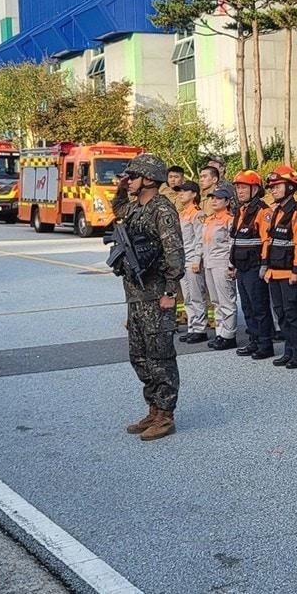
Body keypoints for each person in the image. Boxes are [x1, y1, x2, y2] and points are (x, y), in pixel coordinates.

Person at [115, 155, 185, 441]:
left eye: (132, 176)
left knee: (161, 356)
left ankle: (166, 415)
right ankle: (154, 408)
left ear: (149, 179)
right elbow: (117, 209)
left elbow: (175, 254)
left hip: (157, 295)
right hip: (136, 296)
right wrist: (121, 186)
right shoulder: (135, 208)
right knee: (139, 356)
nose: (128, 180)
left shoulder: (162, 210)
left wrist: (170, 292)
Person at [262, 165, 297, 368]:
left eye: (277, 186)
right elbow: (270, 240)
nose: (273, 190)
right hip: (275, 271)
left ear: (290, 187)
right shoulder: (275, 211)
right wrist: (266, 266)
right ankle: (289, 350)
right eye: (271, 187)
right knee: (281, 313)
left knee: (293, 313)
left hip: (290, 272)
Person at [230, 170, 275, 359]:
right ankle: (254, 340)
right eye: (238, 187)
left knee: (259, 307)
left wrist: (265, 264)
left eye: (243, 187)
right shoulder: (241, 211)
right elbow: (236, 240)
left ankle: (265, 344)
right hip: (242, 266)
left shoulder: (263, 212)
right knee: (247, 307)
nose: (239, 191)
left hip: (255, 266)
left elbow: (267, 240)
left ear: (255, 189)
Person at [201, 185, 239, 351]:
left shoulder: (229, 220)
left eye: (218, 198)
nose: (214, 201)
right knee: (216, 301)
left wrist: (232, 265)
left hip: (222, 262)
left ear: (227, 201)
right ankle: (220, 332)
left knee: (226, 301)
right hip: (210, 262)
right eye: (212, 198)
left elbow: (233, 244)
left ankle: (229, 335)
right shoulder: (209, 220)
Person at [171, 182, 209, 344]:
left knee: (196, 295)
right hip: (183, 259)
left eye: (184, 191)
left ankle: (200, 329)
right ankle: (192, 326)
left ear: (194, 194)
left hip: (193, 259)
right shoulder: (183, 213)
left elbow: (200, 238)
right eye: (179, 192)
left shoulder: (197, 214)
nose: (180, 194)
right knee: (187, 296)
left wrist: (197, 259)